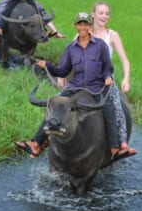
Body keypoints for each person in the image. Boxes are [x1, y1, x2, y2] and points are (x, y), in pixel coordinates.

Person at [14, 12, 120, 158]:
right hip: (74, 87)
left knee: (108, 107)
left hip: (96, 87)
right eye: (79, 24)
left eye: (86, 24)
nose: (83, 27)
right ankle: (37, 143)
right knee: (54, 104)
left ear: (90, 26)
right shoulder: (71, 48)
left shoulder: (100, 46)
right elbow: (63, 71)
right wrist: (47, 65)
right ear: (75, 26)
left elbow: (108, 67)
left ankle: (115, 147)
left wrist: (108, 76)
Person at [90, 1, 137, 160]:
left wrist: (126, 78)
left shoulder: (112, 35)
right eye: (101, 13)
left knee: (117, 107)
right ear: (93, 14)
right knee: (60, 102)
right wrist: (62, 76)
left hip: (105, 80)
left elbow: (125, 60)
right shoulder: (83, 32)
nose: (104, 16)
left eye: (107, 13)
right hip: (84, 79)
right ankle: (44, 140)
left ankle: (122, 145)